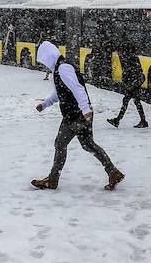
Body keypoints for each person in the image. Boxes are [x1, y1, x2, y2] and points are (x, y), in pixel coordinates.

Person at [32, 41, 124, 191]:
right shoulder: (60, 68)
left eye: (44, 61)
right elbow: (59, 93)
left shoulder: (63, 68)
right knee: (88, 144)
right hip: (79, 113)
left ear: (49, 57)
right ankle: (113, 172)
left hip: (75, 115)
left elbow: (77, 88)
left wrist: (85, 109)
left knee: (60, 144)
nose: (45, 65)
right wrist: (45, 104)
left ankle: (53, 180)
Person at [107, 48, 148, 128]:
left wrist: (129, 82)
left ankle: (117, 121)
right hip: (135, 83)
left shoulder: (130, 58)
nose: (118, 53)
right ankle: (143, 121)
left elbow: (133, 71)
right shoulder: (131, 57)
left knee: (128, 101)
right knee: (135, 101)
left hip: (134, 83)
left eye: (119, 51)